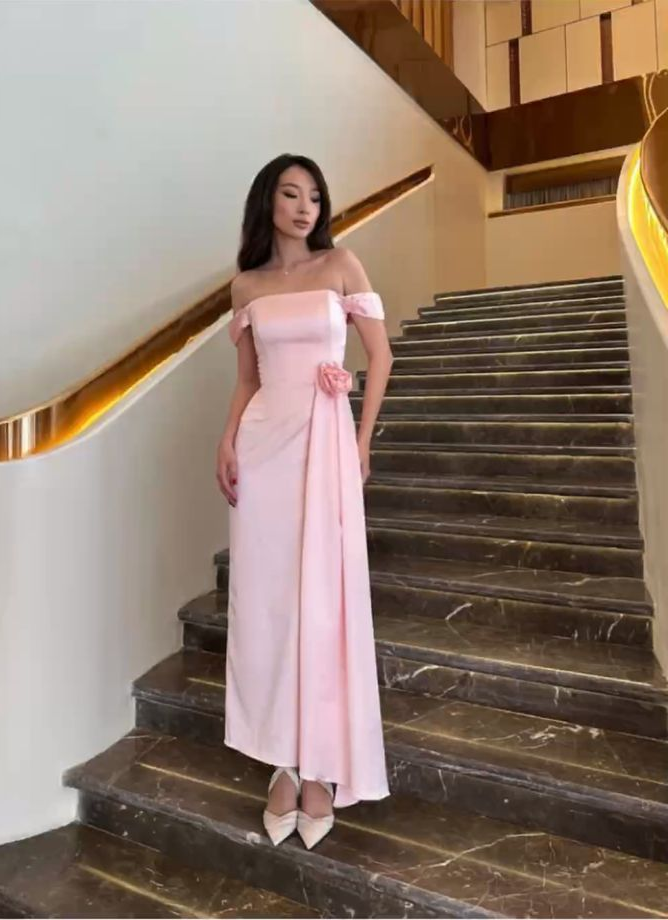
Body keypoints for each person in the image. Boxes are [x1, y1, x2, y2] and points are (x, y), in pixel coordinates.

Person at [215, 153, 393, 850]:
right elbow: (247, 379)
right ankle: (282, 761)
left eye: (314, 196)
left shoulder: (341, 264)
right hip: (264, 448)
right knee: (268, 601)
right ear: (268, 202)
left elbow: (379, 356)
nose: (303, 207)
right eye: (290, 194)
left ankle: (320, 763)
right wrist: (227, 440)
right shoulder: (246, 285)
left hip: (325, 441)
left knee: (323, 598)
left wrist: (362, 441)